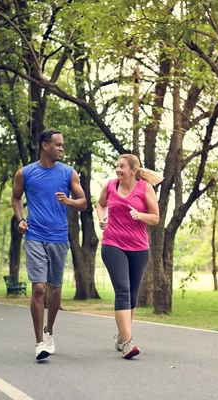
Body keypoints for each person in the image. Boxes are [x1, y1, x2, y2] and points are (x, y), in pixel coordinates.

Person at [11, 129, 87, 361]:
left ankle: (49, 330)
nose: (62, 149)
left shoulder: (68, 173)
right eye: (58, 145)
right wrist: (20, 219)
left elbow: (83, 202)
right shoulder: (25, 173)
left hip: (59, 237)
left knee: (55, 288)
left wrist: (69, 201)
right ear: (45, 146)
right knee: (39, 288)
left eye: (62, 145)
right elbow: (16, 198)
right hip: (34, 235)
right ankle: (39, 343)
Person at [96, 154, 163, 359]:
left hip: (139, 248)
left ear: (133, 170)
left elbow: (155, 218)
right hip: (112, 243)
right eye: (117, 166)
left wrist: (140, 215)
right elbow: (100, 204)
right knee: (123, 292)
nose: (118, 169)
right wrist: (102, 219)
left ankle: (121, 336)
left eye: (122, 166)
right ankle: (127, 342)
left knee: (133, 295)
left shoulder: (145, 188)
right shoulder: (109, 186)